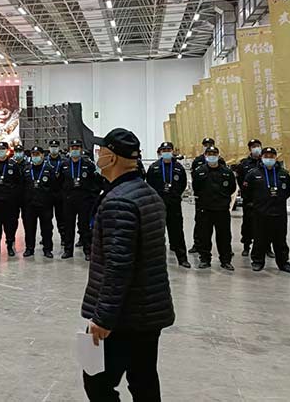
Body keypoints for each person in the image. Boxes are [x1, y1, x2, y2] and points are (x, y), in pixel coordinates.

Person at [81, 128, 174, 401]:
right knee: (143, 379)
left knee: (97, 380)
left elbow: (118, 266)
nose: (97, 155)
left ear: (112, 157)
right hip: (148, 310)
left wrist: (103, 318)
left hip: (126, 316)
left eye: (101, 150)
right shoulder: (146, 193)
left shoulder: (119, 202)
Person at [242, 147, 290, 273]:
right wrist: (257, 203)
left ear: (276, 158)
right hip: (260, 213)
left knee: (280, 239)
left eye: (271, 156)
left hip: (279, 213)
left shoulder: (283, 173)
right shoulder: (253, 174)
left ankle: (283, 263)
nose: (269, 159)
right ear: (261, 157)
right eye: (266, 156)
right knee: (259, 238)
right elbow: (246, 191)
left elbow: (288, 190)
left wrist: (278, 200)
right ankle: (257, 261)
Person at [191, 146, 236, 270]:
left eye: (214, 154)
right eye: (209, 154)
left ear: (218, 155)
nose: (212, 156)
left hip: (222, 209)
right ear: (205, 155)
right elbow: (196, 188)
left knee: (224, 237)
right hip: (205, 209)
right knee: (204, 236)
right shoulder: (199, 171)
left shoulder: (227, 172)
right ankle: (205, 259)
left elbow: (232, 188)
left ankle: (225, 260)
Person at [146, 142, 190, 268]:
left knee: (177, 231)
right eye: (164, 150)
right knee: (156, 233)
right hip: (158, 205)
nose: (166, 152)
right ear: (160, 152)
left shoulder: (178, 167)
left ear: (172, 151)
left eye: (168, 150)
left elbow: (182, 184)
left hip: (174, 204)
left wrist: (175, 195)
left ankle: (182, 258)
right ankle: (154, 261)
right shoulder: (154, 167)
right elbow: (149, 184)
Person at [58, 140, 98, 260]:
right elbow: (59, 182)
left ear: (81, 149)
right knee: (68, 226)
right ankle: (68, 250)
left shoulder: (88, 165)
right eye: (73, 148)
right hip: (69, 200)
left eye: (77, 148)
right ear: (69, 150)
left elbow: (94, 183)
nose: (75, 150)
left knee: (84, 226)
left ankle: (87, 251)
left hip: (84, 200)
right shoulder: (64, 164)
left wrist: (91, 198)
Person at [21, 146, 56, 258]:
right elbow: (22, 186)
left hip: (45, 205)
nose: (35, 156)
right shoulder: (26, 169)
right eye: (33, 154)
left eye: (37, 154)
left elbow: (54, 187)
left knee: (47, 229)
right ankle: (29, 249)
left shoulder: (49, 169)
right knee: (29, 228)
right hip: (29, 205)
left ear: (42, 155)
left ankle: (47, 249)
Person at [235, 139, 265, 257]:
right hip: (249, 200)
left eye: (258, 146)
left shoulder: (265, 162)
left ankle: (267, 247)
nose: (256, 148)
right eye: (253, 146)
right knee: (248, 223)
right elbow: (241, 181)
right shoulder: (244, 164)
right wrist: (246, 195)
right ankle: (246, 246)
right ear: (250, 149)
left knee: (265, 225)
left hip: (264, 200)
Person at [46, 139, 65, 247]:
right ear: (49, 148)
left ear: (59, 148)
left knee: (61, 218)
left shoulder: (64, 161)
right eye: (52, 147)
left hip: (60, 194)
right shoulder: (44, 161)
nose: (54, 149)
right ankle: (46, 237)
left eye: (56, 147)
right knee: (46, 218)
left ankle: (63, 237)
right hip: (47, 194)